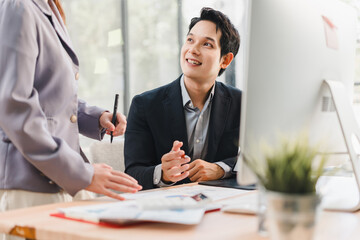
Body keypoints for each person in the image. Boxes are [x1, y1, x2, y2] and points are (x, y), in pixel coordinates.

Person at [0, 0, 142, 216]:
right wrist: (82, 174)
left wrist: (96, 117)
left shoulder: (48, 7)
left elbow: (50, 95)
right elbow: (15, 106)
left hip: (61, 183)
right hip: (31, 185)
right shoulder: (18, 6)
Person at [125, 7, 241, 190]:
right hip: (165, 208)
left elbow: (255, 158)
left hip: (221, 205)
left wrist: (219, 169)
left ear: (225, 60)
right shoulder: (145, 105)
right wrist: (162, 172)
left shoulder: (241, 103)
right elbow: (132, 174)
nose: (192, 50)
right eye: (190, 40)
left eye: (207, 44)